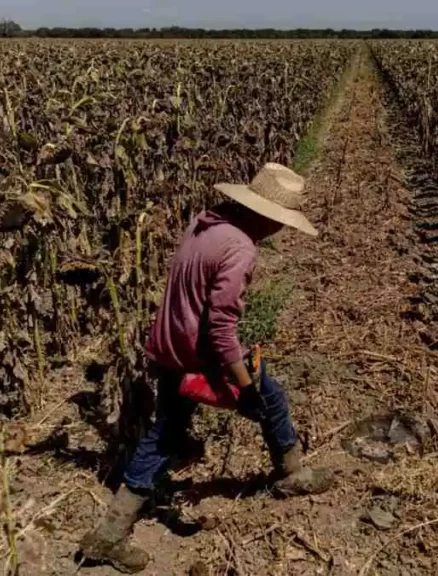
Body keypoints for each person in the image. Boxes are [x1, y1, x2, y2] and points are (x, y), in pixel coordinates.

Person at [79, 163, 334, 573]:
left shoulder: (205, 223)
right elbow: (220, 327)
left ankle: (109, 532)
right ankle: (291, 474)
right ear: (267, 217)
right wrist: (243, 386)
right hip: (196, 355)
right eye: (282, 222)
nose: (281, 230)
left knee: (165, 432)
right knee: (271, 398)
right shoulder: (241, 248)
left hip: (167, 345)